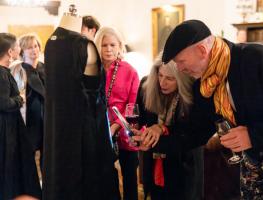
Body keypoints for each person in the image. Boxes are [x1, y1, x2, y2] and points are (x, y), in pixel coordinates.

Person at [162, 19, 263, 199]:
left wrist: (252, 135)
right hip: (252, 167)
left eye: (181, 61)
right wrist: (156, 138)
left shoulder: (257, 58)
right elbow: (197, 133)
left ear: (202, 50)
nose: (179, 69)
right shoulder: (204, 86)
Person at [43, 7, 118, 200]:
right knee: (88, 184)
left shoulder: (50, 43)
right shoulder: (83, 45)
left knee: (62, 179)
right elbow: (94, 98)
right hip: (85, 132)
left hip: (57, 130)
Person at [132, 52, 203, 200]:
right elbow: (142, 121)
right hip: (154, 163)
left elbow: (189, 133)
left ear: (181, 79)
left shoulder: (194, 93)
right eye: (160, 75)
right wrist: (138, 135)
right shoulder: (147, 86)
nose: (162, 83)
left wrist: (163, 129)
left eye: (170, 79)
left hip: (183, 165)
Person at [94, 27, 139, 200]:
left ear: (120, 46)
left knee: (129, 179)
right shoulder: (93, 70)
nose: (108, 49)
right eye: (104, 45)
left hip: (126, 131)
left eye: (112, 44)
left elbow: (132, 106)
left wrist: (115, 126)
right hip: (100, 131)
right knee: (105, 178)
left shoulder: (130, 71)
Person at [0, 33, 41, 200]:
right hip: (6, 129)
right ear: (11, 52)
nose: (20, 48)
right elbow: (3, 103)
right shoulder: (2, 73)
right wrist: (20, 99)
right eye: (18, 46)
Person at [10, 33, 45, 172]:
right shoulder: (18, 70)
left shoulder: (45, 68)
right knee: (27, 159)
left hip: (47, 120)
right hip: (28, 121)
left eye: (35, 46)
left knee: (47, 158)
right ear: (22, 51)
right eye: (29, 48)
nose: (33, 50)